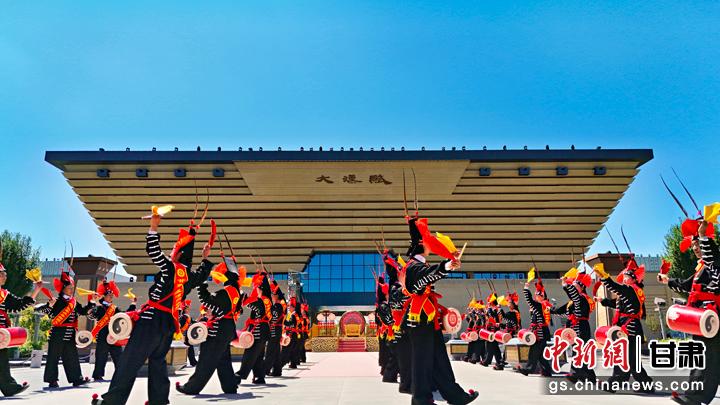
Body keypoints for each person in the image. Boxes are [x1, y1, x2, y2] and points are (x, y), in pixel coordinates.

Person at [92, 211, 213, 405]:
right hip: (168, 325)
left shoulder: (170, 268)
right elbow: (202, 273)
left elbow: (154, 252)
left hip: (150, 321)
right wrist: (205, 257)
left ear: (178, 253)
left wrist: (154, 227)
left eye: (174, 249)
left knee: (129, 361)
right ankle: (159, 401)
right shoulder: (189, 277)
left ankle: (112, 402)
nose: (172, 252)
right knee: (158, 363)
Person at [403, 215, 478, 405]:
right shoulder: (413, 267)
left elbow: (430, 274)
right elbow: (427, 276)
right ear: (422, 245)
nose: (432, 246)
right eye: (429, 242)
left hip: (428, 320)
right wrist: (447, 264)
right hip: (419, 322)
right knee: (422, 362)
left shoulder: (418, 265)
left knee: (440, 360)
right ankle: (421, 400)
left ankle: (455, 396)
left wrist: (449, 262)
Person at [659, 219, 720, 405]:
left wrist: (702, 235)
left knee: (707, 359)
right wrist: (668, 280)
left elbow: (713, 259)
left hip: (713, 318)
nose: (695, 249)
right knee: (705, 358)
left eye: (698, 245)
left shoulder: (715, 264)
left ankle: (694, 397)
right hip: (702, 319)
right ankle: (694, 395)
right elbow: (687, 285)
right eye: (694, 246)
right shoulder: (702, 269)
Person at [176, 249, 243, 395]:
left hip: (219, 330)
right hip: (227, 329)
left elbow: (205, 300)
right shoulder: (237, 292)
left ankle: (192, 388)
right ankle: (230, 386)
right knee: (223, 360)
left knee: (206, 360)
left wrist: (202, 282)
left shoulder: (226, 292)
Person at [594, 258, 654, 393]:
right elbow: (617, 303)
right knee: (632, 360)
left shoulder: (631, 289)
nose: (624, 279)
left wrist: (604, 276)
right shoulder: (632, 291)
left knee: (625, 358)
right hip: (630, 327)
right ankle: (646, 385)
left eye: (626, 277)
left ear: (633, 279)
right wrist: (603, 300)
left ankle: (613, 384)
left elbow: (615, 288)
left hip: (629, 328)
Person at [37, 269, 94, 388]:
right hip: (57, 333)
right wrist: (49, 305)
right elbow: (45, 312)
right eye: (69, 288)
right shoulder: (57, 301)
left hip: (70, 333)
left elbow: (82, 312)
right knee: (53, 357)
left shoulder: (74, 302)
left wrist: (91, 302)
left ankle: (76, 379)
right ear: (63, 289)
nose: (71, 290)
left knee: (72, 357)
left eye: (72, 288)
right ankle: (52, 380)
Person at [0, 260, 42, 396]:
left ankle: (9, 388)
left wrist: (36, 290)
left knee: (2, 362)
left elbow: (19, 305)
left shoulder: (4, 294)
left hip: (1, 335)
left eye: (5, 274)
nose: (5, 276)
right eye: (2, 274)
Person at [88, 279, 137, 381]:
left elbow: (124, 315)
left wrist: (133, 304)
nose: (111, 297)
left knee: (118, 355)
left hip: (114, 333)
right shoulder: (99, 307)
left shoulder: (114, 308)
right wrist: (93, 303)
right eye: (109, 295)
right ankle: (98, 375)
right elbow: (91, 315)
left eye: (112, 295)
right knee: (101, 355)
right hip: (102, 333)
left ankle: (121, 374)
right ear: (104, 296)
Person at [235, 273, 272, 385]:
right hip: (261, 330)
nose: (256, 289)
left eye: (257, 287)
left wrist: (239, 290)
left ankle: (241, 374)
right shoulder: (266, 300)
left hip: (259, 331)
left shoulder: (263, 300)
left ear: (261, 289)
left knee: (250, 354)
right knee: (258, 356)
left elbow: (249, 303)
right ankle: (259, 376)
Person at [561, 273, 596, 383]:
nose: (574, 288)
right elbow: (563, 309)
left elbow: (573, 294)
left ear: (582, 287)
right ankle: (589, 377)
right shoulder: (575, 300)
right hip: (576, 327)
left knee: (579, 351)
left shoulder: (582, 298)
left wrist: (565, 284)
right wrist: (550, 310)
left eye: (575, 286)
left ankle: (576, 374)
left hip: (582, 327)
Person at [516, 280, 553, 376]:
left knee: (534, 352)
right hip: (540, 333)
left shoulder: (540, 305)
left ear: (542, 296)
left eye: (538, 295)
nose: (536, 297)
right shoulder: (542, 306)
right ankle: (547, 371)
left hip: (540, 334)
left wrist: (526, 288)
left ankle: (528, 369)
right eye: (536, 295)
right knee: (540, 355)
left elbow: (529, 300)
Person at [264, 280, 286, 377]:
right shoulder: (280, 305)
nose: (271, 296)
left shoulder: (277, 306)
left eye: (273, 295)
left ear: (276, 296)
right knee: (276, 351)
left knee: (270, 350)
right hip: (278, 330)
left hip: (274, 329)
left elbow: (273, 318)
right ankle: (277, 370)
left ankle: (265, 370)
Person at [480, 294, 503, 370]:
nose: (488, 302)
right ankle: (497, 362)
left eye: (489, 301)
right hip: (490, 329)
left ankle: (491, 361)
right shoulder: (493, 309)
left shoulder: (495, 309)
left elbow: (492, 317)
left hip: (493, 329)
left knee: (492, 346)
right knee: (493, 347)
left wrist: (489, 309)